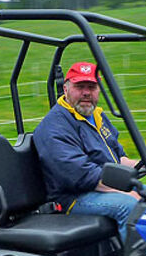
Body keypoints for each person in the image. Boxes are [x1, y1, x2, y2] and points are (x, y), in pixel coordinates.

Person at [32, 61, 139, 240]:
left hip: (101, 188)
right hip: (73, 197)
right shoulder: (54, 126)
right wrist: (125, 191)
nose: (86, 93)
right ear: (66, 90)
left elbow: (117, 157)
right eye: (80, 87)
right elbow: (81, 175)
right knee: (129, 205)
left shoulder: (96, 116)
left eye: (92, 87)